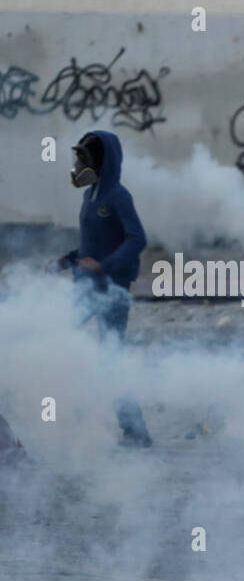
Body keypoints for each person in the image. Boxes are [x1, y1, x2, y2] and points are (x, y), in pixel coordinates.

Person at [48, 130, 151, 447]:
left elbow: (137, 239)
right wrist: (68, 259)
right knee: (57, 337)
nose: (78, 164)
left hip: (112, 291)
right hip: (87, 287)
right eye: (77, 157)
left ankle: (135, 430)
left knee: (110, 359)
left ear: (100, 162)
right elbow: (92, 244)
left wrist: (104, 266)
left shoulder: (119, 196)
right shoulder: (89, 195)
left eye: (83, 157)